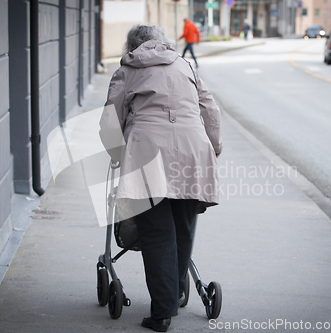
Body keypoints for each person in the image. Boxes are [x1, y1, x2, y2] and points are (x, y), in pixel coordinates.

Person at [99, 25, 222, 332]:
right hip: (193, 152)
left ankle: (162, 312)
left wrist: (117, 154)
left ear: (133, 46)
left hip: (146, 153)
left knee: (156, 232)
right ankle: (176, 292)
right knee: (182, 228)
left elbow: (109, 119)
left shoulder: (127, 69)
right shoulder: (185, 65)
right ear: (163, 43)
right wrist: (213, 148)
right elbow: (210, 109)